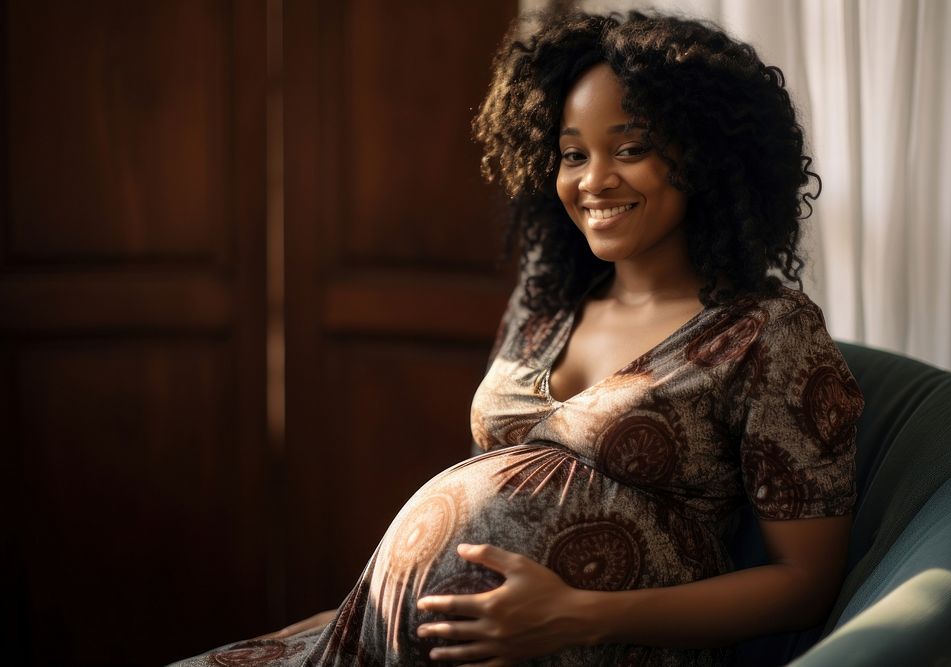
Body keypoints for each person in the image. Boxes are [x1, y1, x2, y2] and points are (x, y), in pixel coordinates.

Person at [172, 10, 864, 667]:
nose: (593, 180)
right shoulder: (549, 305)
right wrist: (366, 602)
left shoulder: (768, 333)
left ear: (709, 157)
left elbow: (805, 581)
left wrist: (581, 613)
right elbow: (490, 497)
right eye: (571, 154)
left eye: (631, 148)